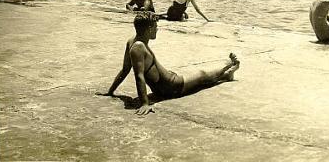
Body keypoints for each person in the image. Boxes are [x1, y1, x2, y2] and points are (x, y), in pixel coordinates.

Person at [96, 12, 240, 115]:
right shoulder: (138, 47)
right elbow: (138, 76)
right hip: (173, 87)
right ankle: (227, 66)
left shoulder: (131, 40)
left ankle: (226, 75)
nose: (157, 29)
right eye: (156, 26)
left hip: (167, 84)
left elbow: (124, 70)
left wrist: (110, 92)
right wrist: (145, 103)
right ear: (149, 29)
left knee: (202, 81)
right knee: (202, 76)